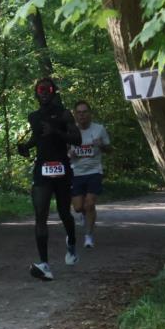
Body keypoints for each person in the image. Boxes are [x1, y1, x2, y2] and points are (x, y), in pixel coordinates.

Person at [16, 77, 81, 281]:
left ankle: (71, 244)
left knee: (64, 213)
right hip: (42, 169)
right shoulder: (33, 116)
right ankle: (44, 264)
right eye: (40, 89)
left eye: (48, 89)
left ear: (54, 91)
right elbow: (38, 137)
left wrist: (57, 131)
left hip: (61, 168)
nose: (44, 92)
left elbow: (77, 139)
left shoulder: (64, 114)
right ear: (36, 92)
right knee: (40, 215)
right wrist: (26, 147)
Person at [69, 100, 112, 249]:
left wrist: (102, 145)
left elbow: (109, 149)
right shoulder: (70, 130)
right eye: (79, 112)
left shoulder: (99, 129)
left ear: (90, 113)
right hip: (76, 172)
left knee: (90, 204)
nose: (82, 115)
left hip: (94, 171)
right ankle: (81, 214)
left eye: (85, 112)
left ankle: (88, 236)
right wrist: (69, 154)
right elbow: (63, 151)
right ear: (75, 114)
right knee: (78, 207)